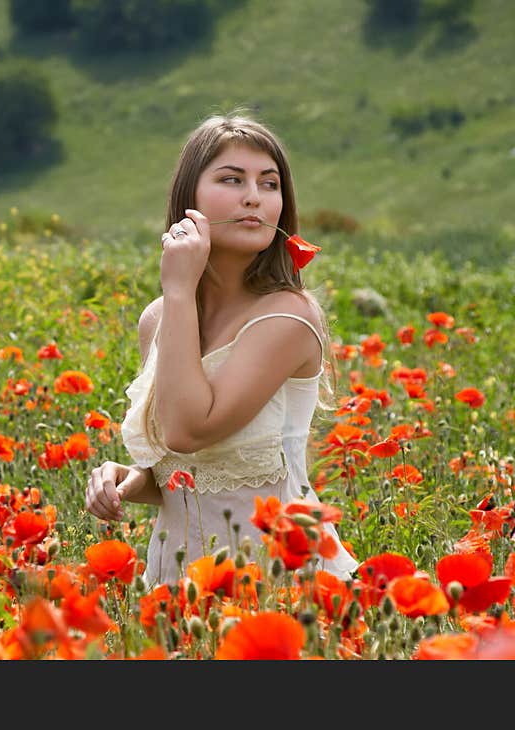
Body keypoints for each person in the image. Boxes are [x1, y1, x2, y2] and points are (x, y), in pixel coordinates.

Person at [85, 111, 359, 586]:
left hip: (276, 582)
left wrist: (177, 289)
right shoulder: (160, 318)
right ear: (188, 197)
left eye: (269, 184)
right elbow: (188, 469)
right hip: (176, 583)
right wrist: (130, 480)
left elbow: (191, 429)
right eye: (232, 179)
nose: (253, 196)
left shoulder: (287, 318)